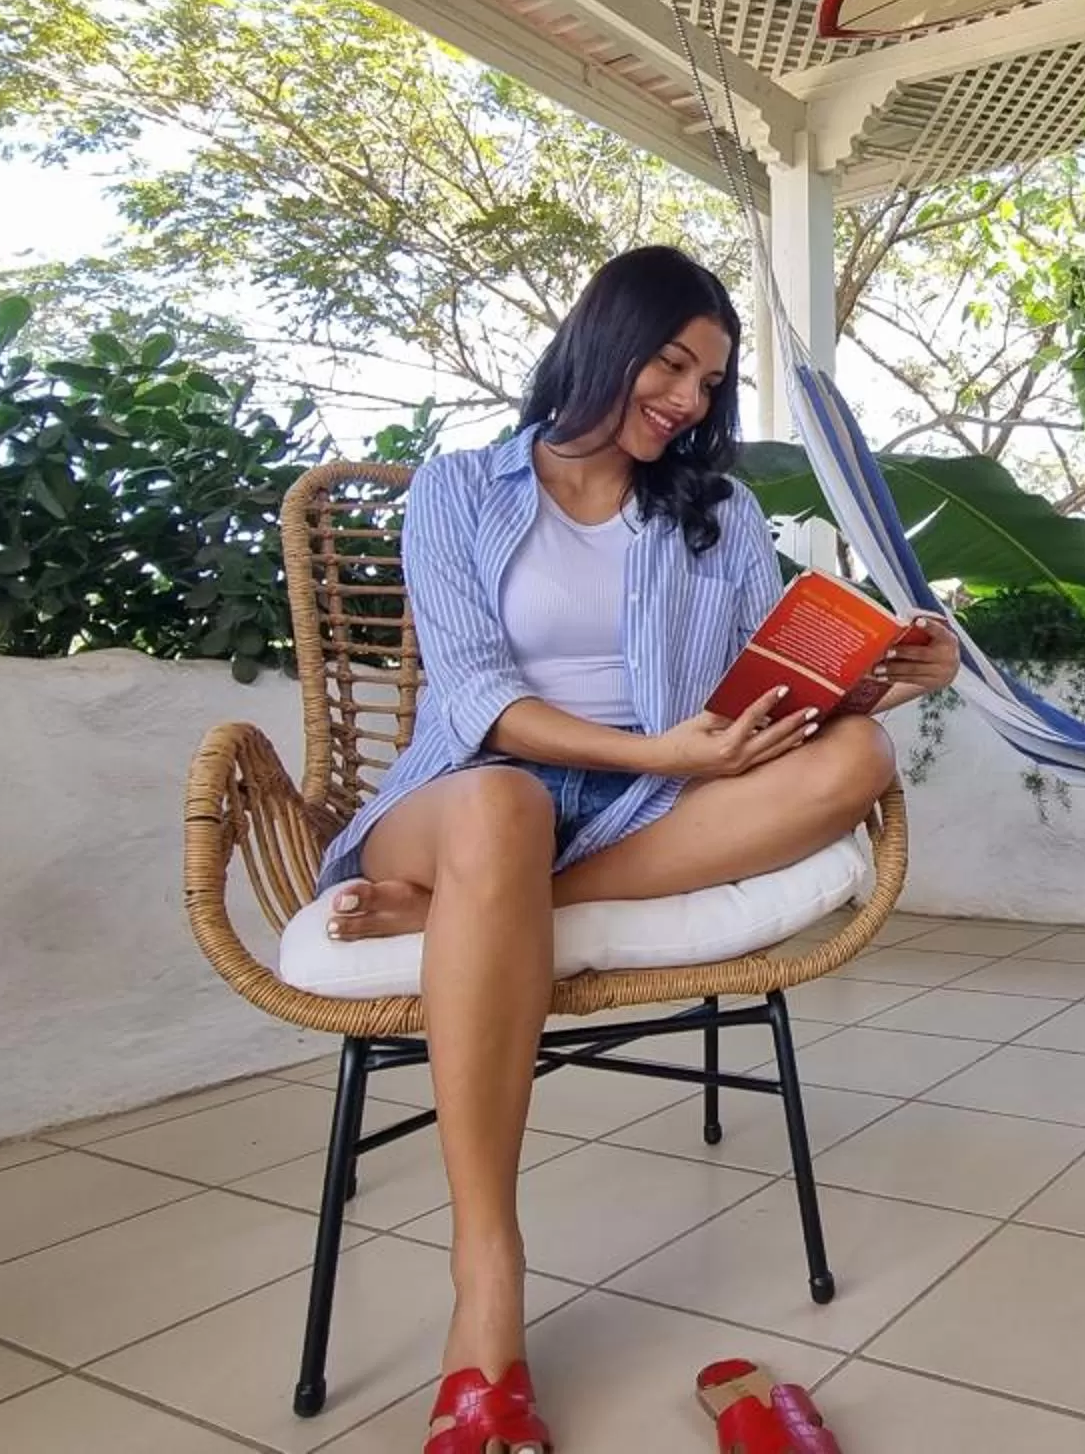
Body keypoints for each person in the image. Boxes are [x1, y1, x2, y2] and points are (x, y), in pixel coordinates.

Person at [314, 246, 960, 1454]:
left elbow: (751, 696)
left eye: (711, 381)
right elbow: (474, 697)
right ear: (603, 338)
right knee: (502, 808)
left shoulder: (718, 514)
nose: (691, 399)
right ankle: (487, 1278)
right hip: (463, 790)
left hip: (646, 801)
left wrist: (876, 677)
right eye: (674, 363)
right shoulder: (462, 486)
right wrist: (664, 756)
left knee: (861, 759)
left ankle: (461, 912)